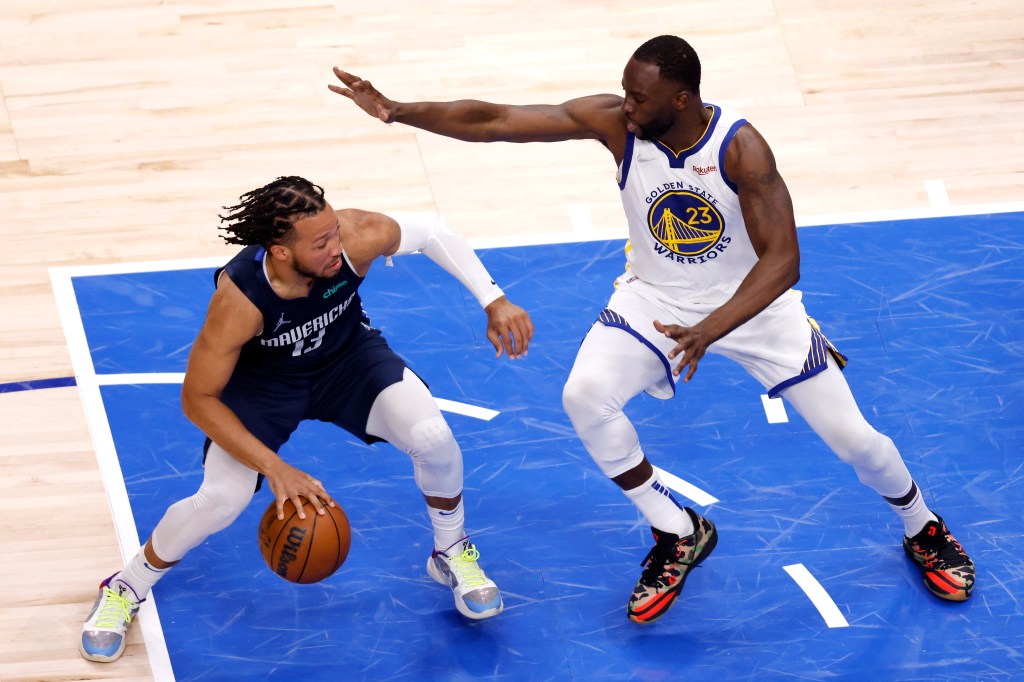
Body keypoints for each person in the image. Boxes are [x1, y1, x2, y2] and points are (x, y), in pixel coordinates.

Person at [329, 34, 975, 624]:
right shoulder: (620, 126)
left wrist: (710, 328)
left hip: (754, 308)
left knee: (857, 441)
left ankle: (923, 527)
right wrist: (396, 111)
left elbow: (784, 262)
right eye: (627, 93)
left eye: (640, 97)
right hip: (654, 300)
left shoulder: (739, 149)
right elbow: (497, 120)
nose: (627, 106)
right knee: (583, 396)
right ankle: (677, 531)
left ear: (682, 97)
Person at [80, 176, 534, 662]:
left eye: (334, 231)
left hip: (346, 362)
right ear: (279, 251)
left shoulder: (354, 238)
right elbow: (198, 400)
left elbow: (432, 231)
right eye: (320, 243)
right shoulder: (240, 300)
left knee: (433, 436)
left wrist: (494, 300)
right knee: (221, 499)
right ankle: (126, 587)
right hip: (263, 388)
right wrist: (276, 467)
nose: (337, 248)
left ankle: (450, 551)